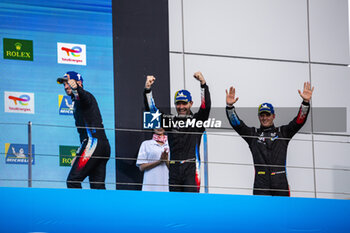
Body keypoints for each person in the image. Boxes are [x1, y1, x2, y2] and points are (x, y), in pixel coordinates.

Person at [225, 82, 314, 196]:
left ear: (273, 116)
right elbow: (236, 124)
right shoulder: (253, 135)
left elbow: (299, 121)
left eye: (267, 115)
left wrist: (305, 103)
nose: (264, 118)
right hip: (261, 185)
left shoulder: (283, 132)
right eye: (262, 115)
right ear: (258, 117)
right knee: (261, 214)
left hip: (280, 184)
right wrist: (230, 107)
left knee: (283, 214)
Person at [144, 71, 211, 192]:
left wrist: (203, 84)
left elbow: (205, 107)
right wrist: (148, 90)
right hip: (174, 169)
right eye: (178, 104)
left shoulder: (197, 120)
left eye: (184, 103)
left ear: (191, 103)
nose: (181, 107)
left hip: (191, 169)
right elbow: (153, 111)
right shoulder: (170, 121)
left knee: (191, 205)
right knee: (175, 206)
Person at [57, 71, 110, 189]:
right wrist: (78, 154)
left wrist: (77, 89)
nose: (65, 86)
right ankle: (101, 208)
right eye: (64, 84)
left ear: (79, 83)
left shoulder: (84, 96)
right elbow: (85, 135)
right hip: (101, 145)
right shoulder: (76, 101)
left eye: (68, 83)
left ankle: (77, 208)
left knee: (73, 181)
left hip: (94, 144)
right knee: (97, 188)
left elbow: (83, 97)